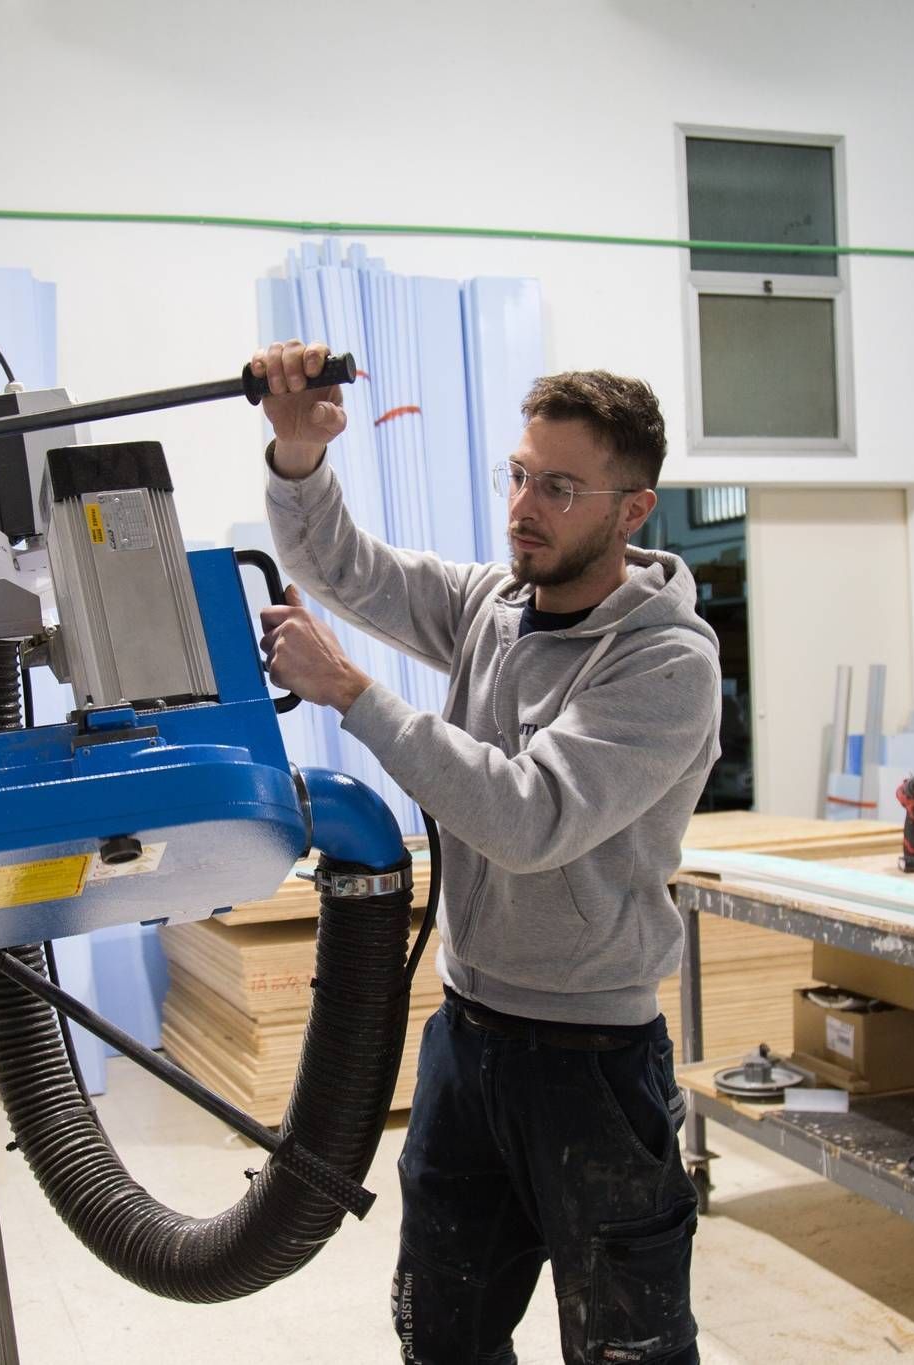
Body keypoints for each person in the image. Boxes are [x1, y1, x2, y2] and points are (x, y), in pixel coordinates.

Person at [253, 339, 721, 1365]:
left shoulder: (663, 664)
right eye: (518, 476)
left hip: (593, 1064)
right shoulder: (489, 609)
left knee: (624, 1349)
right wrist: (298, 454)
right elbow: (341, 569)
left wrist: (354, 698)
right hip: (469, 1042)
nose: (523, 506)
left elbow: (526, 818)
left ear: (629, 509)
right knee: (442, 1335)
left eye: (558, 487)